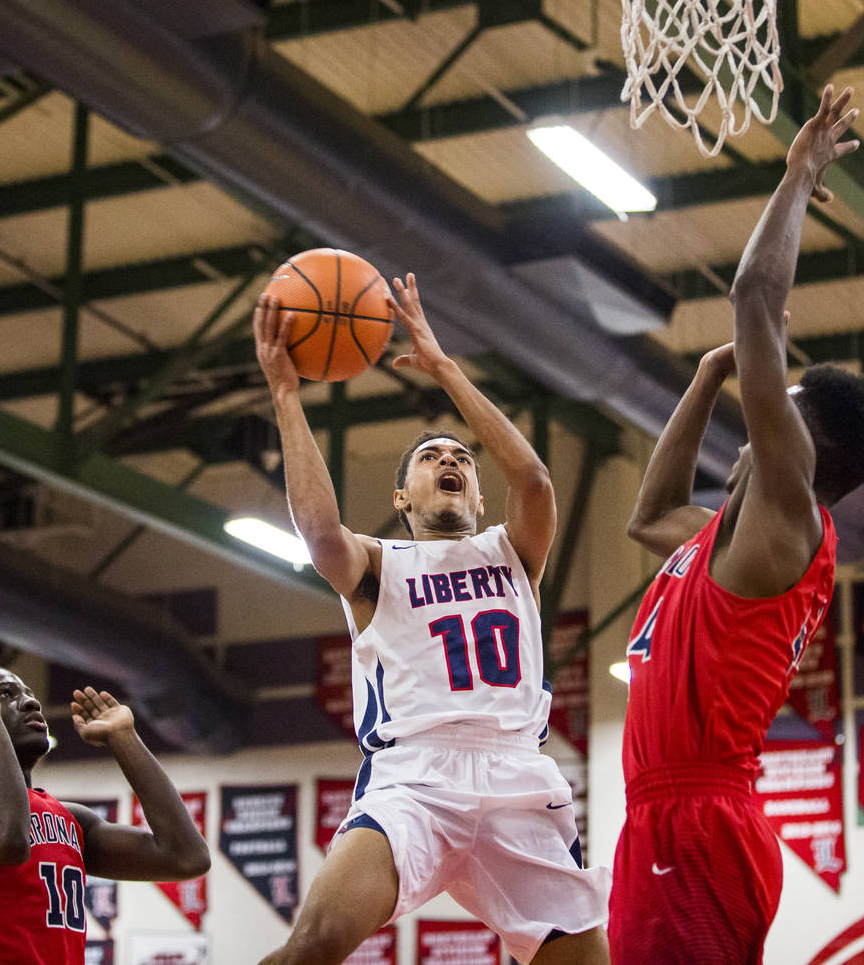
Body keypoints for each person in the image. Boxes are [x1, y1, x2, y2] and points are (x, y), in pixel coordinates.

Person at [607, 85, 864, 964]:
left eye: (779, 402)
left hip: (696, 824)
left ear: (802, 442)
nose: (755, 412)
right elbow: (648, 516)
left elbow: (753, 295)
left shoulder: (787, 510)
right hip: (668, 818)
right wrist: (703, 376)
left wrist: (798, 175)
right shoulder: (729, 543)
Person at [253, 273, 611, 964]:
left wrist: (445, 368)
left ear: (477, 493)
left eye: (462, 459)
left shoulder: (513, 551)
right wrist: (286, 394)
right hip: (414, 778)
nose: (449, 459)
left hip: (516, 777)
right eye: (429, 457)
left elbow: (534, 481)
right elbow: (319, 529)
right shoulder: (377, 563)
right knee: (315, 944)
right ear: (402, 495)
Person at [0, 661, 211, 964]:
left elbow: (187, 858)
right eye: (6, 695)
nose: (31, 702)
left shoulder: (71, 819)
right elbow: (5, 840)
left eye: (28, 693)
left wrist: (125, 739)